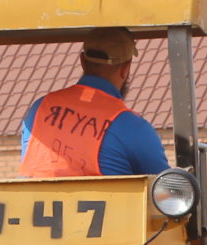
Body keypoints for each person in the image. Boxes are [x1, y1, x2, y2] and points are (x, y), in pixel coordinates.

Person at [17, 30, 171, 178]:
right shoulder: (133, 126)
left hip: (35, 204)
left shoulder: (40, 108)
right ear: (126, 68)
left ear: (82, 61)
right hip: (110, 205)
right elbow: (168, 189)